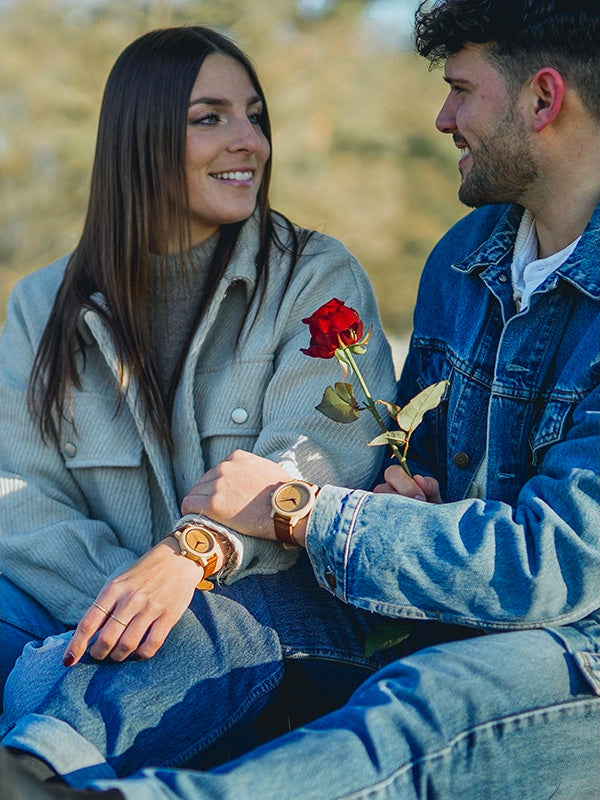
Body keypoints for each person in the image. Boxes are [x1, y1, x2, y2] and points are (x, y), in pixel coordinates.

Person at [2, 0, 599, 798]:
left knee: (417, 704)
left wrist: (282, 515)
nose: (441, 116)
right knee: (193, 622)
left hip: (569, 639)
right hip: (413, 593)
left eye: (460, 89)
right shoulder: (467, 256)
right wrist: (404, 494)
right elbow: (409, 458)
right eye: (209, 117)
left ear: (543, 98)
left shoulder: (313, 276)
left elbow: (556, 560)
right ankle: (37, 759)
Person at [0, 25, 398, 708]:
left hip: (254, 624)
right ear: (139, 137)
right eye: (209, 118)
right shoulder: (41, 304)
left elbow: (322, 457)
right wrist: (132, 597)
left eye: (255, 115)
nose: (250, 140)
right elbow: (16, 493)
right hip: (75, 612)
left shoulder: (316, 278)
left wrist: (191, 556)